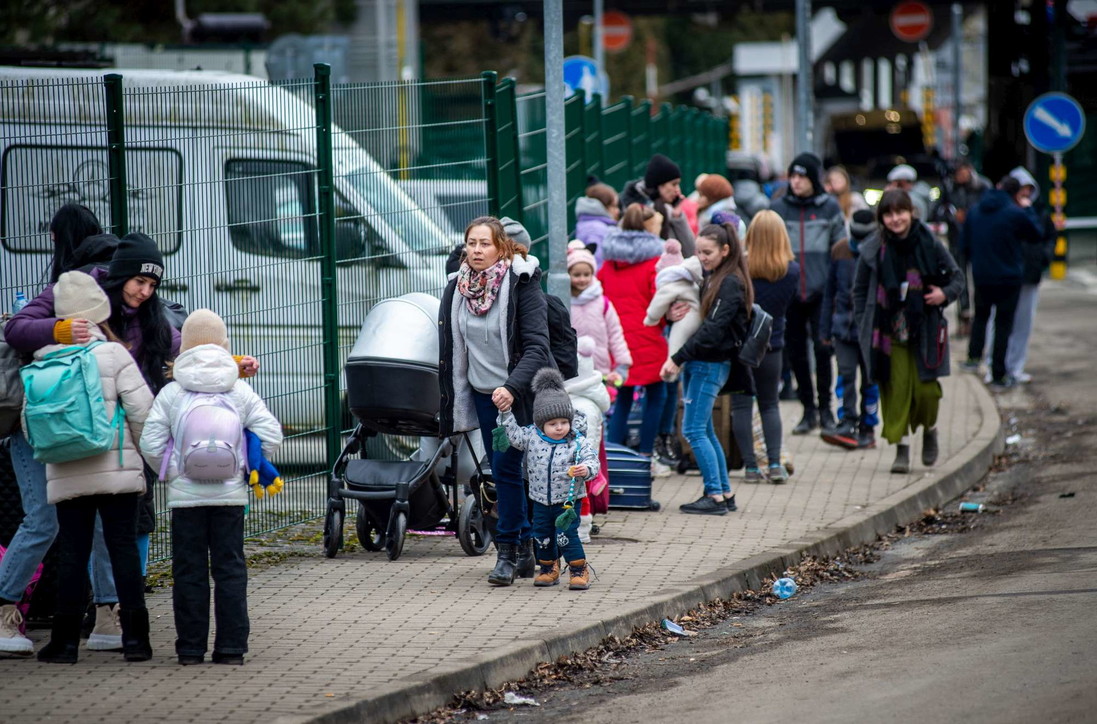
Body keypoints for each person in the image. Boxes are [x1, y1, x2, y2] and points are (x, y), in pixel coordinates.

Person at [0, 208, 126, 657]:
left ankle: (108, 612)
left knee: (101, 517)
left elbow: (175, 345)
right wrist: (59, 327)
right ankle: (4, 608)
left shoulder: (133, 309)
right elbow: (17, 329)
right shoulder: (60, 295)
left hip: (88, 429)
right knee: (44, 519)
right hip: (36, 427)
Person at [140, 309, 282, 665]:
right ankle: (231, 649)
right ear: (224, 345)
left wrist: (174, 471)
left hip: (185, 500)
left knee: (188, 571)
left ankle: (189, 649)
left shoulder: (172, 392)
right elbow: (271, 435)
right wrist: (243, 465)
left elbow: (151, 443)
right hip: (229, 496)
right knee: (230, 568)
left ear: (183, 346)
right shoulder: (239, 389)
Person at [27, 271, 154, 664]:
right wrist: (152, 462)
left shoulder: (43, 359)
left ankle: (64, 643)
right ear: (100, 314)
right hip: (117, 468)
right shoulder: (114, 355)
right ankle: (136, 640)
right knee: (123, 551)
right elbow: (143, 413)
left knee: (72, 553)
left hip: (67, 470)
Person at [438, 216, 550, 587]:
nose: (476, 250)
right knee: (503, 471)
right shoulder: (457, 288)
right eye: (471, 243)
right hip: (486, 397)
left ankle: (518, 547)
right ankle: (518, 548)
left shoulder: (522, 285)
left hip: (520, 396)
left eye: (485, 243)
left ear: (501, 248)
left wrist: (513, 387)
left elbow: (538, 347)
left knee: (519, 469)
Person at [854, 190, 964, 474]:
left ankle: (930, 428)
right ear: (882, 218)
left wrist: (944, 294)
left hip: (924, 327)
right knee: (896, 390)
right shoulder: (872, 248)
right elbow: (859, 292)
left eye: (900, 212)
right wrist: (863, 323)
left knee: (927, 391)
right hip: (886, 332)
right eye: (888, 214)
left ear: (911, 211)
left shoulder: (929, 241)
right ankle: (900, 448)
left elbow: (957, 277)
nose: (895, 219)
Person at [660, 222, 753, 515]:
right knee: (706, 431)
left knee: (693, 430)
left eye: (708, 252)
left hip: (708, 364)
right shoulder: (718, 277)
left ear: (726, 250)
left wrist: (678, 357)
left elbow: (712, 330)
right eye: (698, 251)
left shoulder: (730, 282)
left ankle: (713, 496)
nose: (701, 257)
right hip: (706, 363)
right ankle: (724, 491)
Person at [499, 368, 599, 590]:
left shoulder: (577, 442)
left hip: (568, 501)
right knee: (542, 535)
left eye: (564, 422)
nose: (559, 427)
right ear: (540, 423)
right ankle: (548, 568)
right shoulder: (532, 436)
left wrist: (585, 469)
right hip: (540, 500)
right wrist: (505, 414)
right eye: (553, 424)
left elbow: (593, 460)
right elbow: (513, 436)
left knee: (566, 535)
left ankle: (578, 569)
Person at [770, 152, 845, 434]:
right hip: (789, 294)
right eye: (793, 175)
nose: (796, 181)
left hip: (822, 294)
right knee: (796, 354)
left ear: (814, 179)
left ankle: (826, 410)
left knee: (824, 351)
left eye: (802, 176)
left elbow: (840, 253)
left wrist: (839, 291)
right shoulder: (777, 208)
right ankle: (808, 411)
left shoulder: (830, 208)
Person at [598, 204, 673, 475]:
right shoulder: (654, 261)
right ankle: (645, 455)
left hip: (617, 340)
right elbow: (661, 301)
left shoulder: (608, 262)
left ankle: (615, 454)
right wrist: (661, 324)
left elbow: (600, 295)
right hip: (648, 337)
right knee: (657, 394)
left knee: (623, 396)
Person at [732, 210, 799, 483]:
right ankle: (774, 464)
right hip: (774, 345)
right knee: (771, 405)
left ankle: (750, 467)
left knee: (742, 406)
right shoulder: (791, 271)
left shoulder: (740, 268)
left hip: (742, 347)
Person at [959, 176, 1043, 387]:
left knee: (981, 317)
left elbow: (963, 245)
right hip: (1009, 278)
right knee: (1003, 325)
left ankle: (973, 357)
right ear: (1016, 194)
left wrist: (977, 263)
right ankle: (998, 375)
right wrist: (1028, 209)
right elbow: (1036, 234)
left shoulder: (976, 211)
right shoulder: (1015, 213)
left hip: (982, 275)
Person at [821, 209, 880, 450]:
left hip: (871, 331)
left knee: (869, 380)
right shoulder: (840, 250)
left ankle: (868, 427)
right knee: (845, 376)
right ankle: (847, 421)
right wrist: (824, 330)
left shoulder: (880, 251)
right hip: (843, 329)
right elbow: (829, 293)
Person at [1002, 166, 1055, 383]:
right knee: (1003, 322)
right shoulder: (1006, 213)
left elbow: (1048, 236)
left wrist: (1044, 258)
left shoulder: (1039, 212)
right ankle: (997, 365)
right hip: (1007, 275)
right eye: (1021, 189)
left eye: (1028, 189)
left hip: (1030, 274)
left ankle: (1015, 367)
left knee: (1024, 323)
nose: (1025, 194)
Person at [564, 338, 611, 543]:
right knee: (580, 495)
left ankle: (581, 532)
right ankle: (581, 530)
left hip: (573, 461)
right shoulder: (592, 400)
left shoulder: (576, 406)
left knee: (577, 495)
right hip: (584, 460)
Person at [566, 240, 631, 385]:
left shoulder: (603, 303)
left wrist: (622, 363)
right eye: (576, 275)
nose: (582, 279)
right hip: (574, 371)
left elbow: (615, 333)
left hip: (601, 370)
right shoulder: (564, 303)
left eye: (586, 274)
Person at [643, 239, 703, 376]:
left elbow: (659, 302)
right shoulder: (688, 280)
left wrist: (651, 319)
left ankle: (670, 371)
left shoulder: (671, 284)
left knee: (676, 339)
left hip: (688, 315)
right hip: (696, 312)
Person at [619, 153, 695, 255]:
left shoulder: (668, 209)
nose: (678, 190)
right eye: (674, 184)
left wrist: (678, 217)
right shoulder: (636, 213)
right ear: (659, 185)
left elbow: (689, 251)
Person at [573, 183, 620, 269]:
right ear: (602, 207)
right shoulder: (596, 229)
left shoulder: (588, 223)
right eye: (614, 206)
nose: (618, 211)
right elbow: (598, 262)